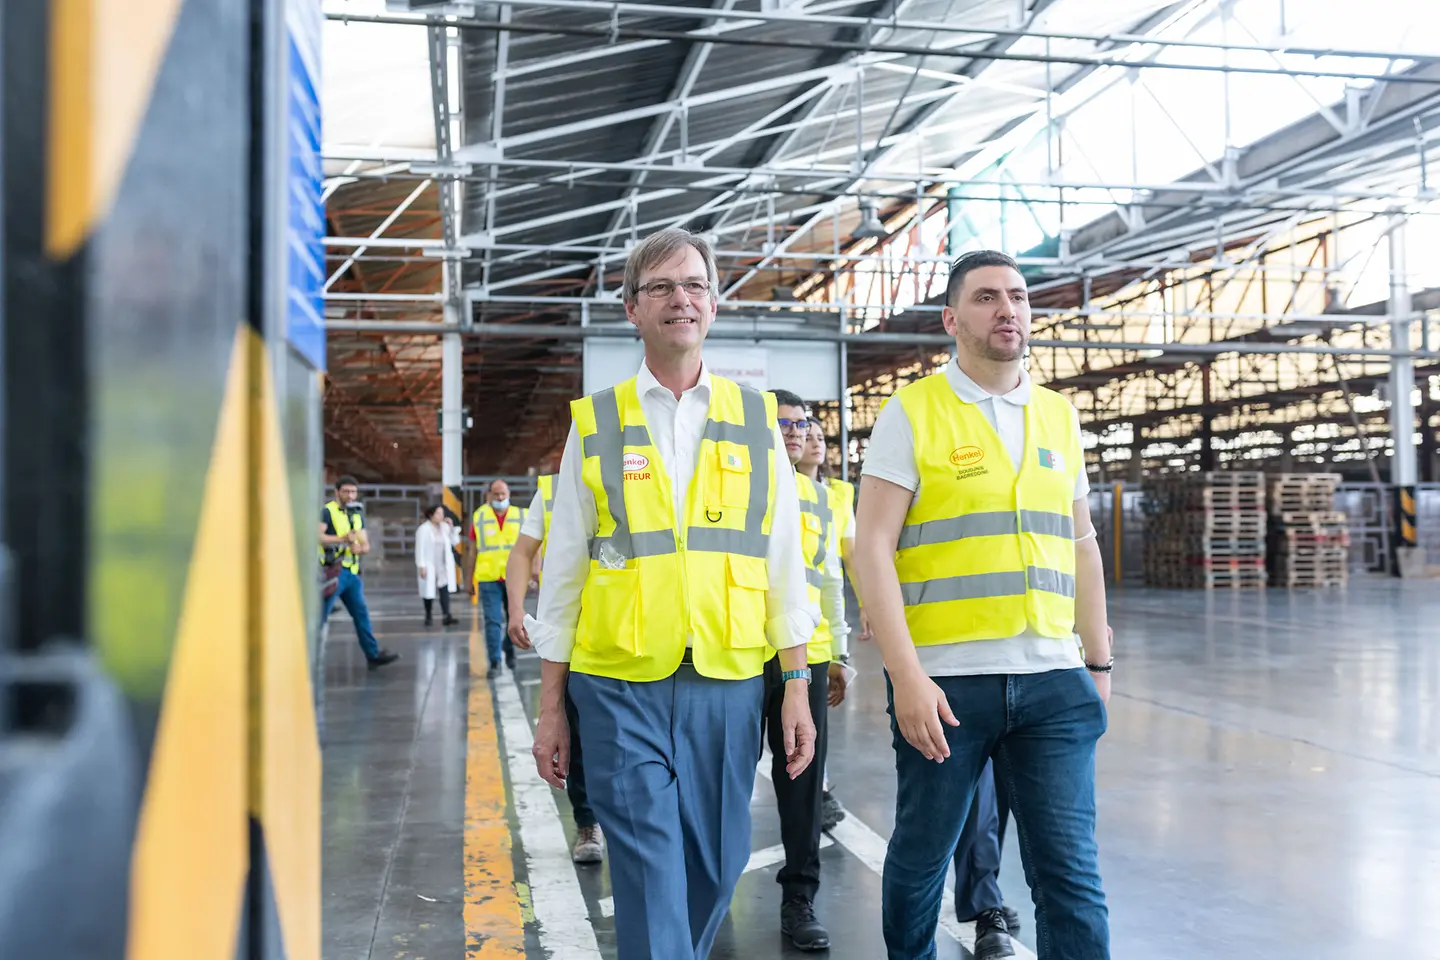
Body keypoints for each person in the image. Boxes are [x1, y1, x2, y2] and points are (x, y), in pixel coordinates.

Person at [519, 228, 819, 960]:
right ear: (631, 308)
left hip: (729, 678)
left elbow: (784, 562)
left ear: (713, 305)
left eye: (693, 285)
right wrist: (552, 707)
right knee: (651, 867)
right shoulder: (594, 423)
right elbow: (561, 577)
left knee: (716, 867)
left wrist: (798, 684)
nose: (679, 298)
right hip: (619, 680)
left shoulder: (757, 422)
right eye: (660, 287)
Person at [851, 250, 1113, 960]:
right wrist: (907, 677)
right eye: (988, 297)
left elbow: (1082, 543)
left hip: (1054, 679)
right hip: (947, 681)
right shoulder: (913, 413)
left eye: (1020, 297)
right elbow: (871, 545)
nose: (1009, 310)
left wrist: (1098, 661)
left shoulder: (1058, 416)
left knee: (1070, 873)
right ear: (951, 318)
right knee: (921, 857)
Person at [763, 392, 850, 952]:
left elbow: (830, 579)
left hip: (809, 655)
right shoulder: (744, 485)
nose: (797, 432)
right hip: (743, 652)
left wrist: (839, 652)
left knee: (801, 780)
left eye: (804, 424)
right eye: (785, 424)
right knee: (723, 775)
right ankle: (707, 887)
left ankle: (800, 897)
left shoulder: (820, 497)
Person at [506, 475, 606, 865]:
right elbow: (521, 552)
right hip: (573, 633)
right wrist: (517, 609)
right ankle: (587, 823)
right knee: (574, 733)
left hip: (628, 631)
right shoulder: (550, 490)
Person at [799, 418, 852, 836]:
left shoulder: (836, 497)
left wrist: (841, 646)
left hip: (814, 630)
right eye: (806, 434)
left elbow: (837, 573)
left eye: (819, 436)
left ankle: (822, 788)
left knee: (811, 723)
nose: (813, 442)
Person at [319, 476, 400, 668]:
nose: (350, 495)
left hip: (351, 574)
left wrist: (361, 549)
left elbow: (365, 543)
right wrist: (342, 539)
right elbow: (319, 536)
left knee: (361, 613)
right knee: (321, 616)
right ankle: (308, 658)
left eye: (353, 492)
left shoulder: (357, 513)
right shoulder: (327, 511)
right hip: (333, 572)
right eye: (346, 491)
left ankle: (372, 655)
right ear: (337, 492)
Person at [471, 479, 526, 677]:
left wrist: (534, 573)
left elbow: (532, 548)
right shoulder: (480, 516)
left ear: (509, 494)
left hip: (515, 577)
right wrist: (469, 579)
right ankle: (494, 662)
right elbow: (471, 549)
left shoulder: (521, 516)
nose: (500, 498)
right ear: (489, 496)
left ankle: (509, 649)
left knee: (515, 618)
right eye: (496, 494)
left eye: (503, 494)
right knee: (492, 621)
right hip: (488, 577)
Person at [415, 503, 460, 627]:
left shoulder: (444, 527)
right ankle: (428, 615)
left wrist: (452, 528)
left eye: (442, 513)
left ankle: (447, 615)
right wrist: (421, 565)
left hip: (442, 563)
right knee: (428, 590)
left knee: (444, 588)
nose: (441, 516)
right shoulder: (423, 529)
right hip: (429, 562)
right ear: (431, 515)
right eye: (438, 513)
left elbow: (455, 541)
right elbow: (420, 548)